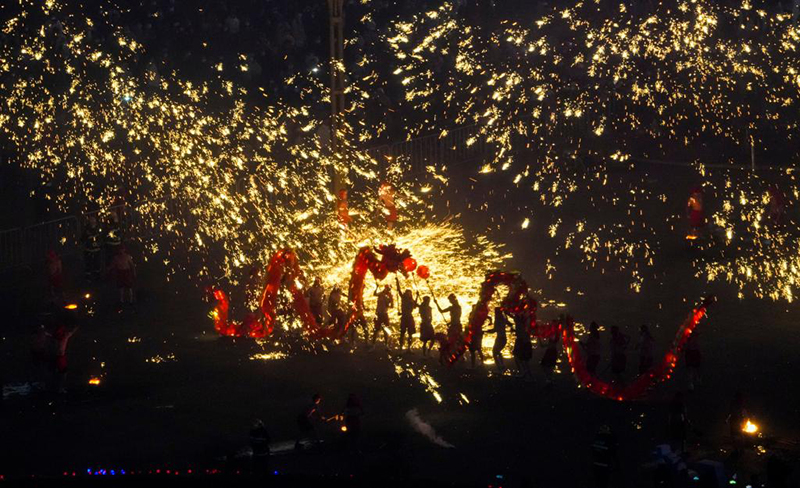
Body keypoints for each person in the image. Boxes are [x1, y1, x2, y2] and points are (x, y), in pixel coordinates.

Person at [49, 317, 78, 394]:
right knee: (62, 373)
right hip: (59, 357)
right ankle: (59, 388)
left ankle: (56, 387)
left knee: (57, 372)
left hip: (57, 356)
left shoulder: (57, 337)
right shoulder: (63, 336)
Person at [512, 310, 533, 381]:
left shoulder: (520, 324)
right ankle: (527, 374)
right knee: (524, 360)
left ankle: (524, 373)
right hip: (523, 341)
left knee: (520, 358)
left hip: (522, 341)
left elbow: (522, 333)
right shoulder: (523, 324)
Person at [82, 215, 102, 280]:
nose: (93, 223)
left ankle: (97, 276)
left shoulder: (97, 229)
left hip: (97, 250)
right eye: (92, 222)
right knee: (89, 264)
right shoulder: (86, 231)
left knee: (97, 264)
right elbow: (83, 239)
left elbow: (100, 238)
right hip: (89, 250)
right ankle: (88, 277)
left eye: (94, 222)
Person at [491, 307, 509, 372]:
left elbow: (494, 330)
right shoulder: (503, 319)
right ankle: (502, 365)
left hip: (500, 338)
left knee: (494, 352)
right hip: (503, 338)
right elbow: (509, 323)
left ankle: (500, 367)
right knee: (497, 351)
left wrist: (485, 331)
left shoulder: (497, 320)